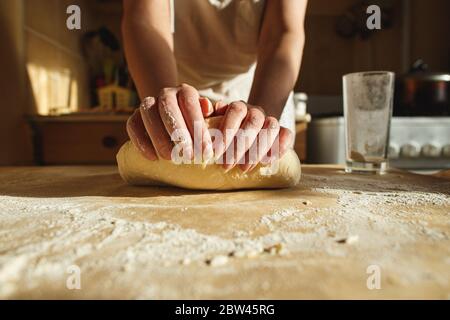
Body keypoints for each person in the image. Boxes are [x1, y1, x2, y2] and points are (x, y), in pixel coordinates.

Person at [122, 0, 307, 172]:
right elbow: (145, 22)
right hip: (170, 87)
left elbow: (282, 32)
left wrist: (261, 118)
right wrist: (165, 111)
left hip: (261, 90)